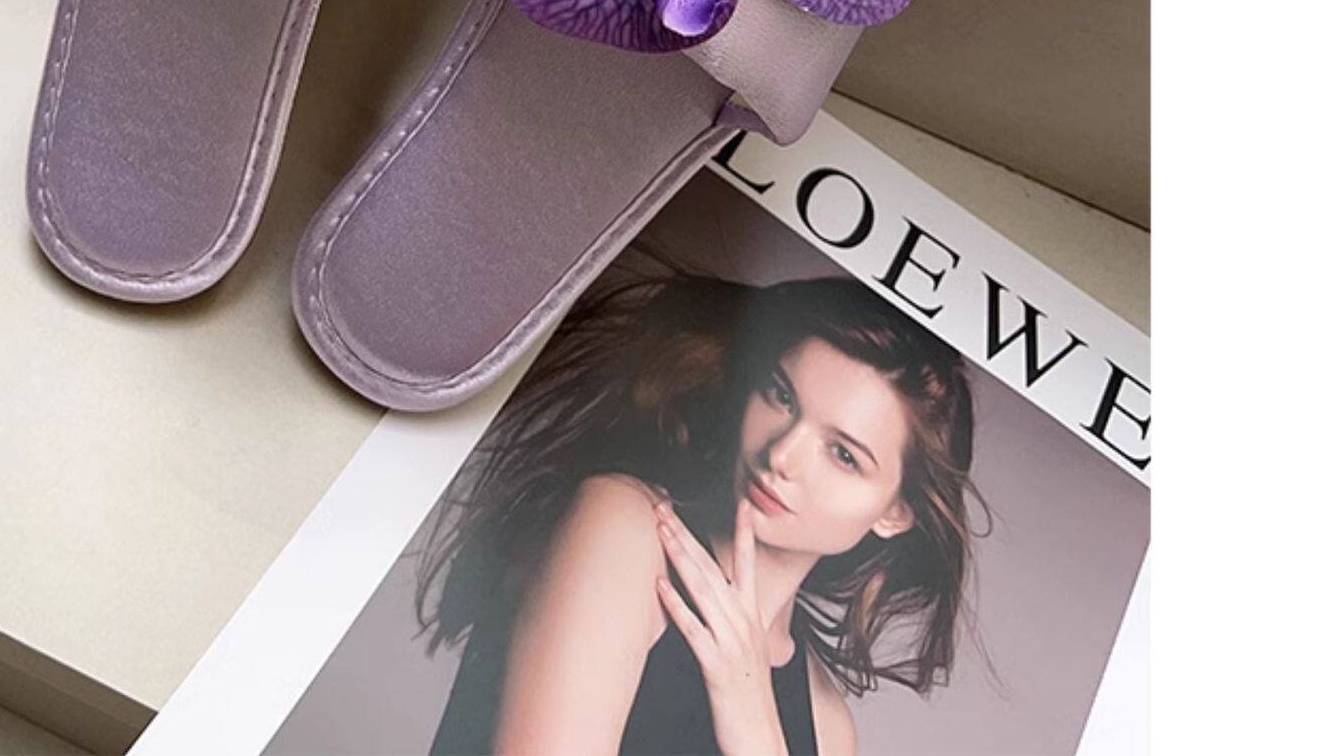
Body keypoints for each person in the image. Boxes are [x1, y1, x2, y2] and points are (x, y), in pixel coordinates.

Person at [420, 274, 985, 756]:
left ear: (894, 513)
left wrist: (756, 730)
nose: (781, 455)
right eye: (781, 396)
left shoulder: (827, 727)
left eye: (842, 454)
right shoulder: (627, 531)